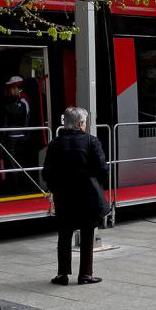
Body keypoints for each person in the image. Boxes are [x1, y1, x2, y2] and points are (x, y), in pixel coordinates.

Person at [42, 107, 108, 286]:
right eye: (85, 122)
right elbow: (103, 169)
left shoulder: (55, 144)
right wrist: (94, 180)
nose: (85, 125)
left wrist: (54, 188)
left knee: (64, 234)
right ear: (80, 124)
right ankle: (85, 274)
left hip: (64, 196)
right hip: (87, 195)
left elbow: (47, 172)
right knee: (87, 233)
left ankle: (62, 274)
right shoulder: (91, 142)